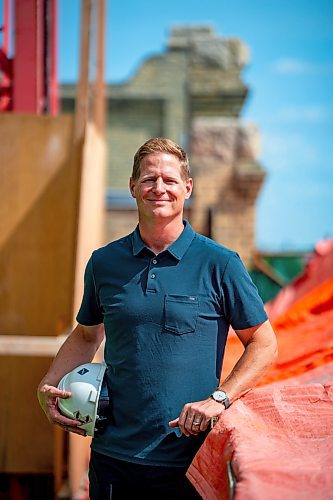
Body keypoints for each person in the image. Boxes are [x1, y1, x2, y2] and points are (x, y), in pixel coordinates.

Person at [38, 137, 278, 499]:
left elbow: (264, 344)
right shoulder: (105, 262)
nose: (159, 188)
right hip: (112, 457)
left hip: (189, 460)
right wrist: (49, 384)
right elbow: (87, 336)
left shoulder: (220, 263)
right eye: (149, 179)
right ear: (133, 187)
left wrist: (219, 398)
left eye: (169, 179)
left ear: (187, 188)